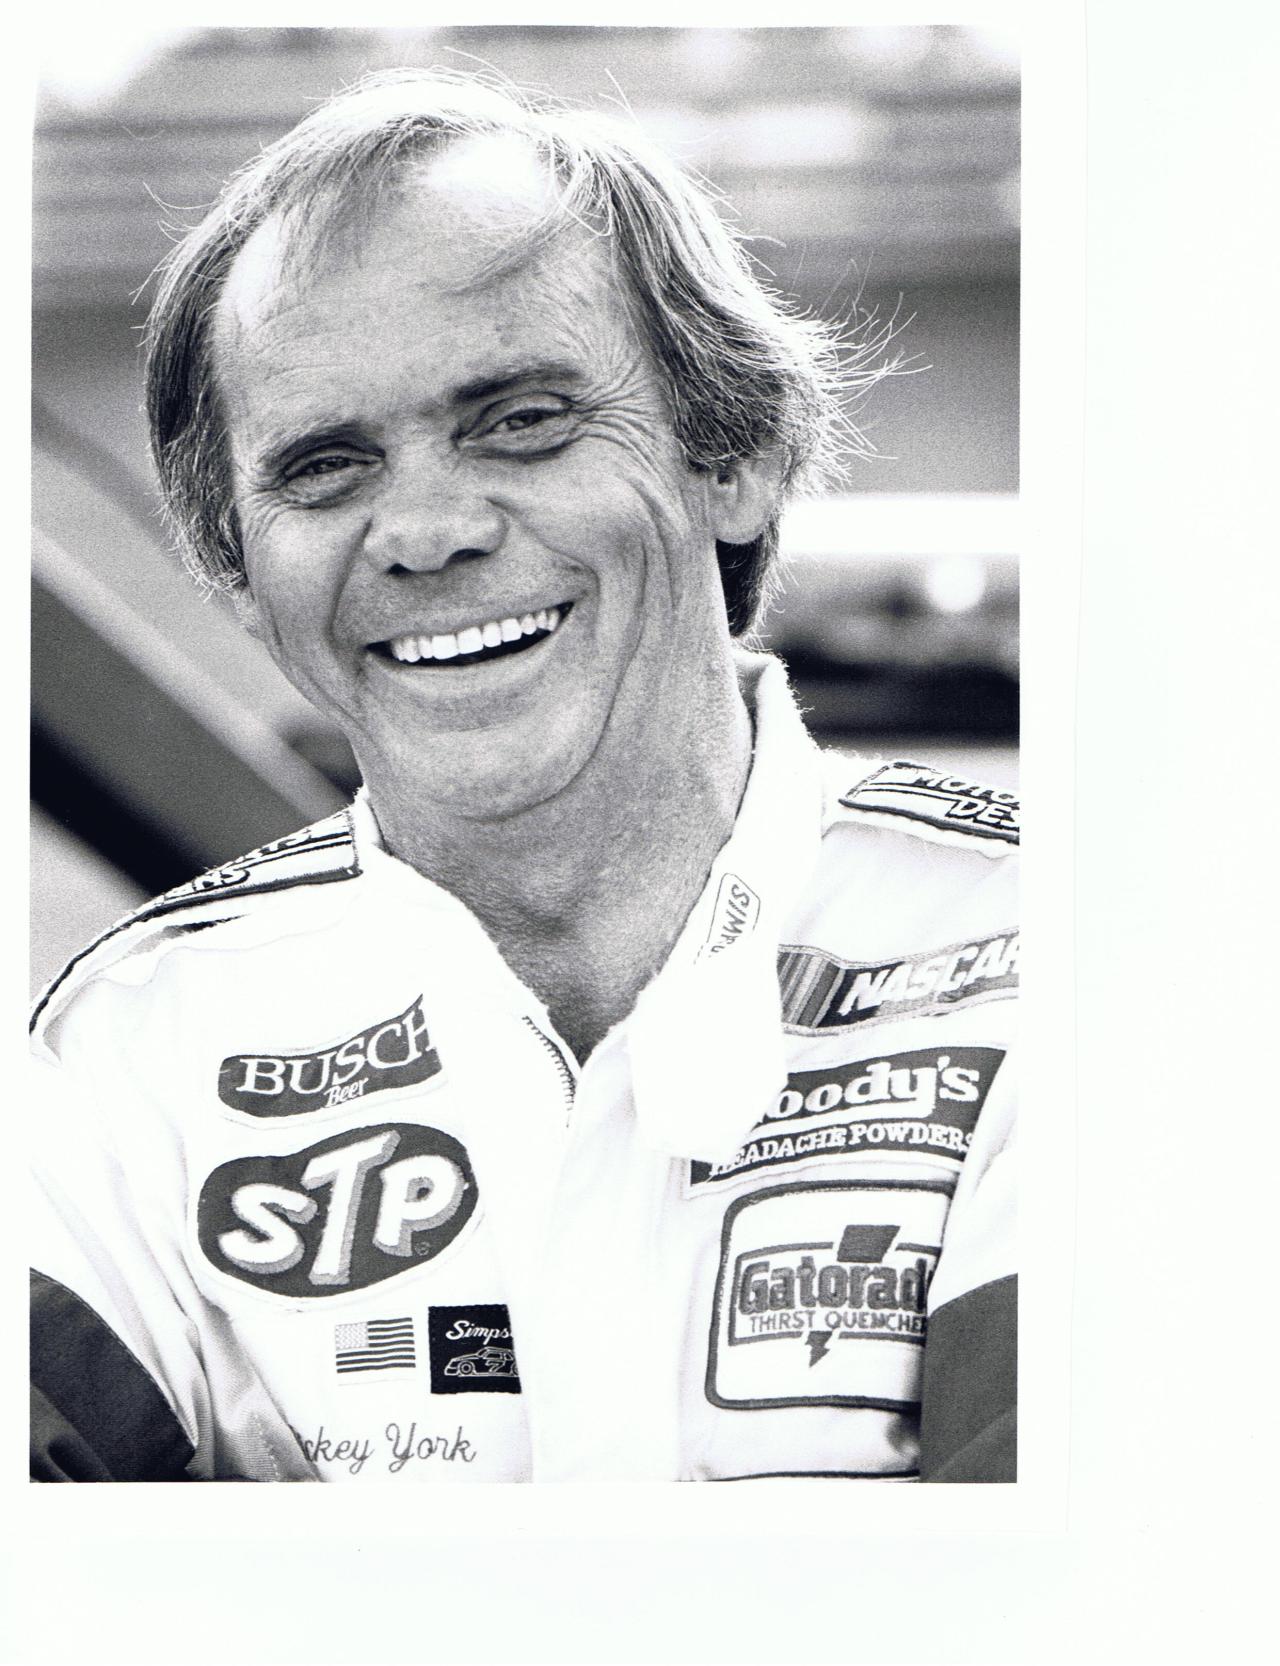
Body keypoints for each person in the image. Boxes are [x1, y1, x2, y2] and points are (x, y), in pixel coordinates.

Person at [29, 69, 1018, 1483]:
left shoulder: (1062, 957)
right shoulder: (119, 1060)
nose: (426, 529)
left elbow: (1085, 1584)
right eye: (325, 467)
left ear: (734, 456)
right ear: (241, 578)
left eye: (523, 420)